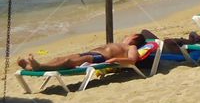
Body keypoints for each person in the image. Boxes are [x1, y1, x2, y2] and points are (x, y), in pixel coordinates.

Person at [17, 34, 146, 71]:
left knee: (68, 62)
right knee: (59, 58)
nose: (126, 36)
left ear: (134, 38)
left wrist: (116, 60)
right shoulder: (120, 43)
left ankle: (39, 67)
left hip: (99, 57)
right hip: (91, 53)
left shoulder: (131, 48)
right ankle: (31, 66)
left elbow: (133, 60)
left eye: (129, 35)